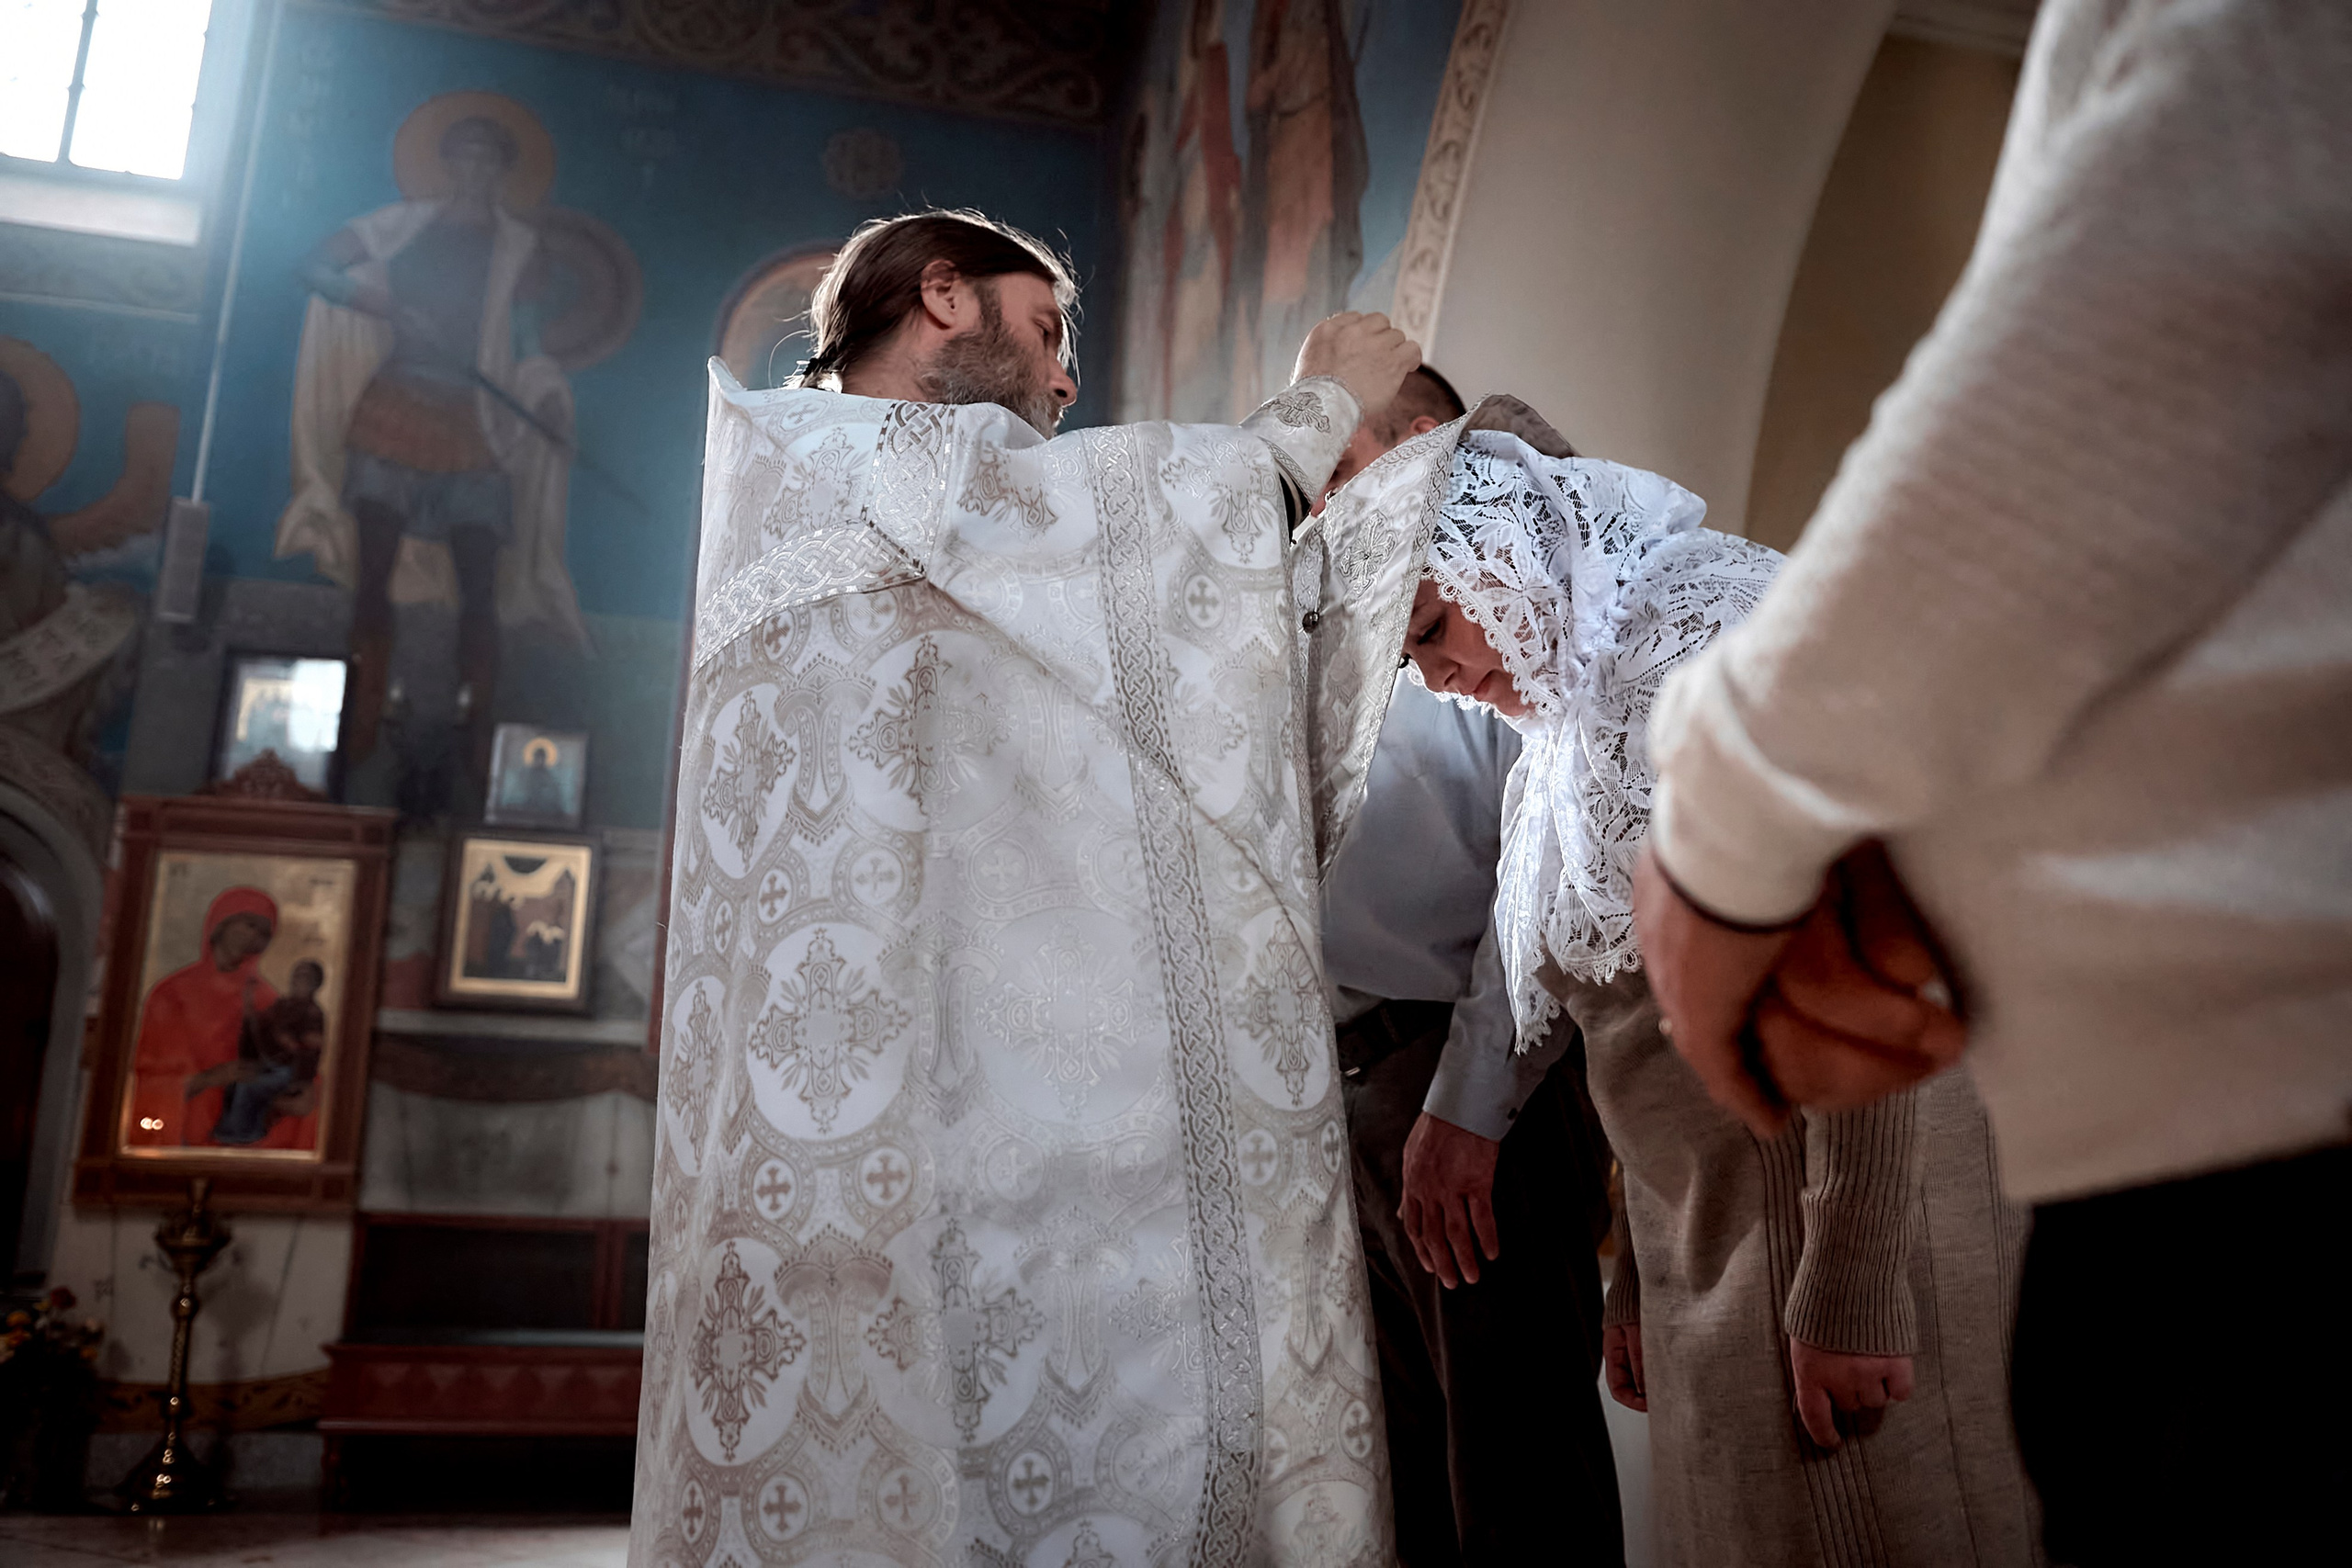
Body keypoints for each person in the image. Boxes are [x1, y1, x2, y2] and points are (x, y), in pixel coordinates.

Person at [1630, 4, 2352, 1562]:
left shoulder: (1687, 613)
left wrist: (1721, 830)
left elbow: (2111, 394)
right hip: (2171, 1140)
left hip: (2276, 1140)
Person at [635, 209, 1443, 1566]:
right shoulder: (853, 454)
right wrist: (1323, 401)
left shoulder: (808, 481)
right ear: (940, 294)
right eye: (1050, 327)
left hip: (920, 1090)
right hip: (906, 1099)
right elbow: (1154, 525)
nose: (1067, 378)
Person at [1402, 415, 2042, 1565]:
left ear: (1510, 551)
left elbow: (1868, 975)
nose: (1439, 676)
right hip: (1714, 1249)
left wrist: (1849, 1290)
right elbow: (1631, 1051)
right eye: (1413, 662)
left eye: (1434, 628)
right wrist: (1640, 1289)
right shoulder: (1561, 722)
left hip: (1842, 1223)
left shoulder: (1722, 640)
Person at [1317, 371, 1622, 1565]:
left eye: (1346, 466)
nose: (1328, 504)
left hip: (1467, 1082)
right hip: (1357, 1091)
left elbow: (1535, 891)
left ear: (1427, 440)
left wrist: (1467, 1101)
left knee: (1519, 1484)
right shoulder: (1387, 629)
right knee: (1411, 1488)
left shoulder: (1523, 643)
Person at [283, 114, 589, 773]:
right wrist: (374, 300)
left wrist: (546, 397)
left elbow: (529, 342)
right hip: (394, 400)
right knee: (374, 576)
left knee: (479, 584)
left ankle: (475, 736)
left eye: (488, 159)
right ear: (447, 163)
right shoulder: (399, 226)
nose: (475, 170)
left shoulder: (518, 247)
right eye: (463, 156)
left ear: (503, 171)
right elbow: (312, 266)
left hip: (472, 415)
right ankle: (359, 720)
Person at [128, 887, 317, 1151]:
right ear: (222, 923)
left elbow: (284, 1058)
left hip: (243, 1129)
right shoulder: (172, 993)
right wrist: (210, 1078)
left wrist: (288, 1095)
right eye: (249, 924)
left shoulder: (265, 997)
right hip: (183, 1125)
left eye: (263, 932)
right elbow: (147, 1077)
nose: (254, 936)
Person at [211, 959, 327, 1147]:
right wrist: (250, 1007)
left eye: (304, 977)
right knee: (234, 1081)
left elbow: (310, 1050)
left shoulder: (312, 1013)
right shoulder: (282, 1006)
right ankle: (228, 1129)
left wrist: (292, 1046)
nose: (297, 980)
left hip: (290, 1072)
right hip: (269, 1064)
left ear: (315, 984)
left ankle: (244, 1134)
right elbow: (261, 1028)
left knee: (250, 1087)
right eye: (296, 975)